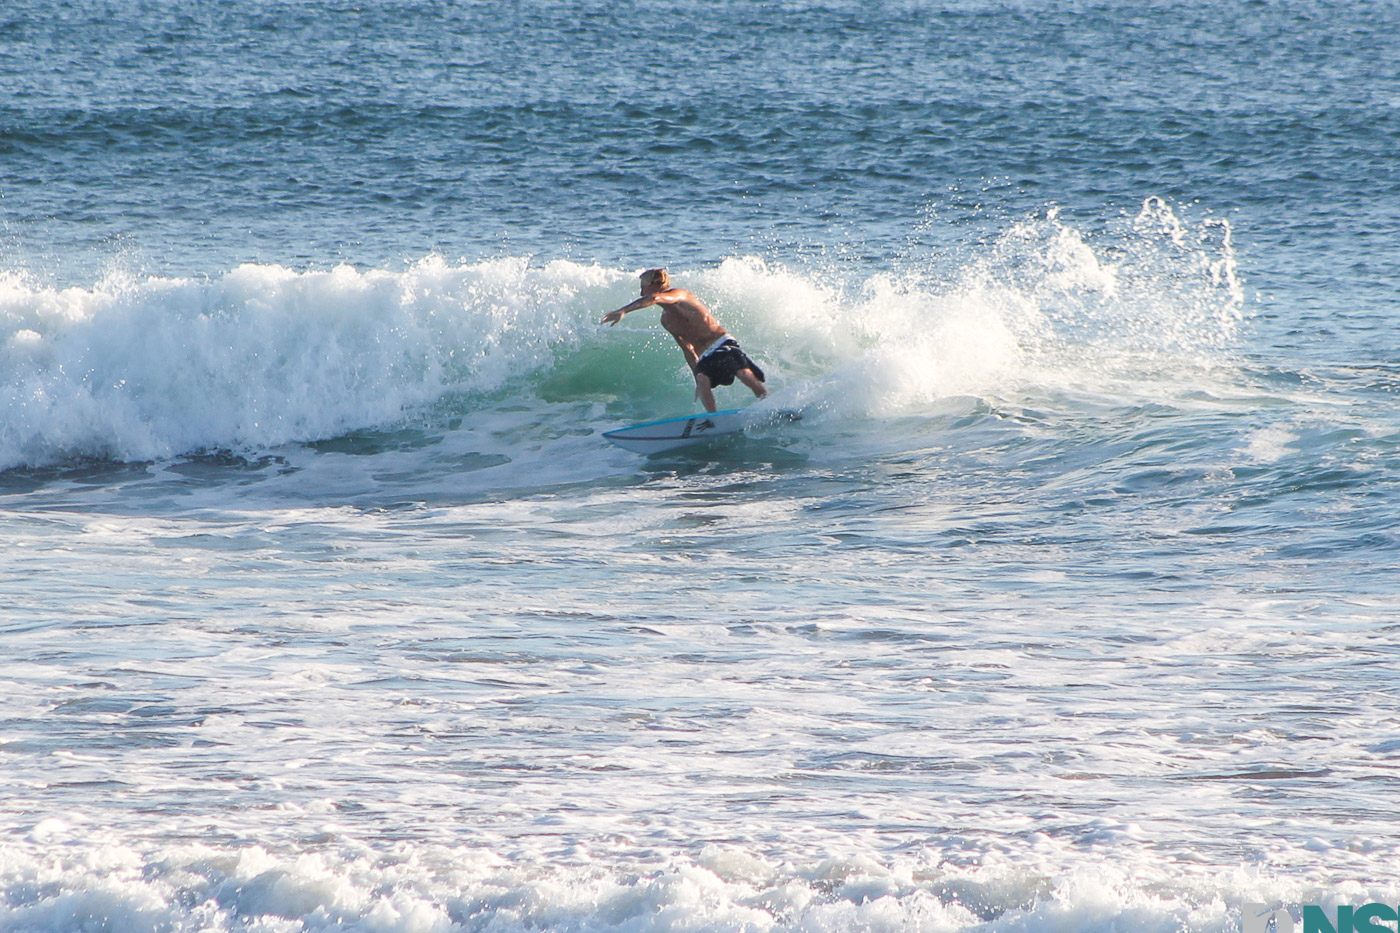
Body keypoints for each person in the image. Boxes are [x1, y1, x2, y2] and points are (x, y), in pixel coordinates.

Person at [601, 268, 768, 412]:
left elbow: (655, 298)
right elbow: (688, 350)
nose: (641, 293)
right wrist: (697, 374)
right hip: (706, 355)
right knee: (702, 379)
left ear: (656, 285)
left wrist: (624, 310)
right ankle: (714, 419)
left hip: (722, 343)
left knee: (742, 372)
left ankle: (767, 401)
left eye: (643, 288)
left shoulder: (681, 295)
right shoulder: (666, 321)